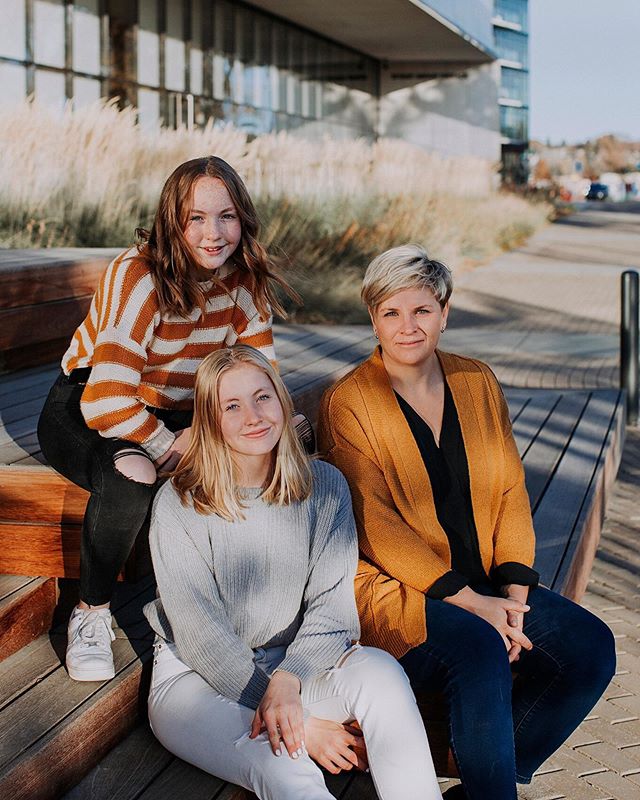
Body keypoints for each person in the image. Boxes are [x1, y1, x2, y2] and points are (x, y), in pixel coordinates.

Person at [318, 244, 616, 800]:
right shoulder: (350, 401)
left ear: (445, 313)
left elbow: (508, 490)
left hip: (484, 583)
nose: (407, 327)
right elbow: (375, 527)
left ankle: (487, 779)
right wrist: (477, 605)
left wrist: (516, 596)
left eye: (421, 310)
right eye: (391, 313)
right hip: (396, 592)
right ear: (373, 320)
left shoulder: (476, 381)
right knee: (481, 646)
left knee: (590, 647)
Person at [37, 156, 310, 682]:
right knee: (134, 475)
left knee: (285, 437)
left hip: (179, 409)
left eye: (226, 216)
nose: (213, 234)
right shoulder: (138, 275)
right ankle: (91, 613)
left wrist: (232, 432)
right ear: (172, 222)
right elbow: (107, 397)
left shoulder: (245, 284)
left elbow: (262, 380)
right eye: (196, 219)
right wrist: (170, 447)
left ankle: (258, 610)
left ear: (244, 219)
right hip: (89, 405)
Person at [143, 344, 442, 800]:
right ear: (211, 421)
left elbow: (332, 607)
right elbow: (202, 637)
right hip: (196, 682)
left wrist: (288, 684)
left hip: (292, 669)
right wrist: (300, 721)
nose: (253, 416)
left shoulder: (324, 487)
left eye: (263, 397)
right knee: (279, 760)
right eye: (232, 405)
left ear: (283, 400)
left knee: (380, 671)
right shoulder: (179, 505)